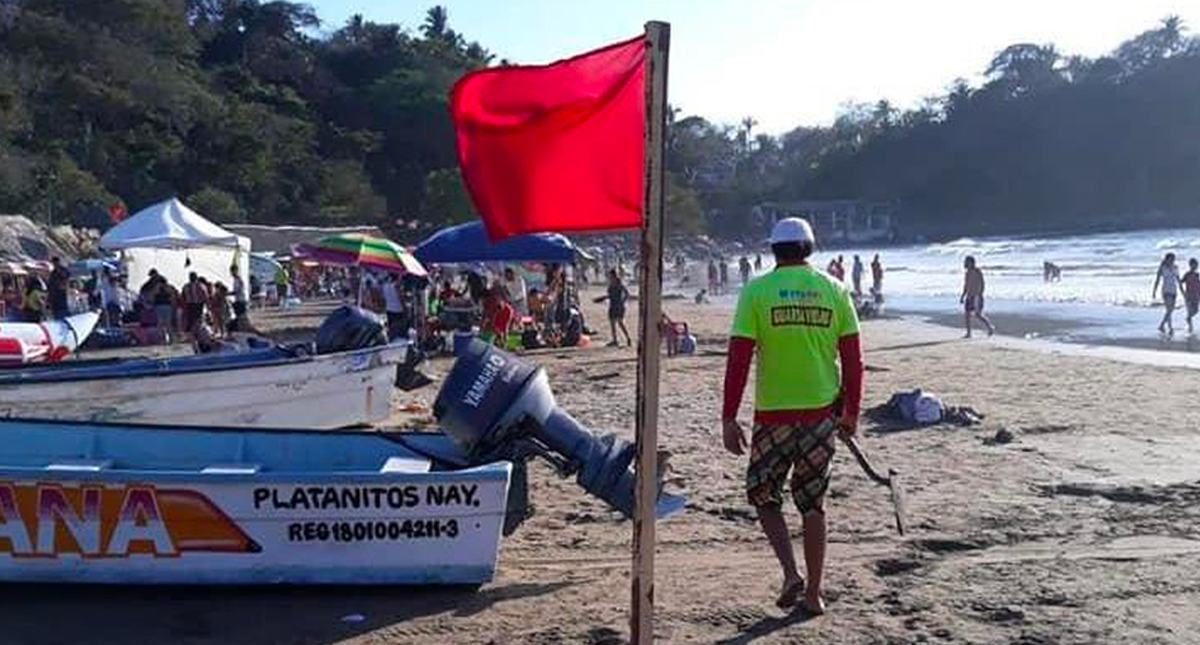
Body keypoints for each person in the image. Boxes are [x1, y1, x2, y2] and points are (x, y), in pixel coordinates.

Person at [722, 217, 863, 615]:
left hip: (773, 417)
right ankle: (814, 593)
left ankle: (790, 572)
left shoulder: (756, 292)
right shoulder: (834, 290)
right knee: (813, 504)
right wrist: (851, 411)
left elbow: (739, 359)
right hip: (821, 417)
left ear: (774, 250)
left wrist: (728, 417)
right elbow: (854, 360)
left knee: (764, 494)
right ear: (810, 248)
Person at [595, 269, 632, 347]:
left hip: (618, 306)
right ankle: (615, 340)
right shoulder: (611, 284)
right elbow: (610, 296)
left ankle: (628, 338)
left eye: (610, 275)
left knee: (620, 322)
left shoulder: (619, 284)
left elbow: (627, 294)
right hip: (613, 305)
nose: (609, 277)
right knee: (613, 323)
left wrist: (623, 301)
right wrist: (601, 299)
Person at [960, 256, 995, 338]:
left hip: (976, 296)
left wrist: (979, 294)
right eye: (965, 262)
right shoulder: (967, 273)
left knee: (978, 315)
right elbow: (966, 285)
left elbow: (982, 283)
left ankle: (990, 327)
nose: (965, 263)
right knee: (967, 315)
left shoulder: (977, 271)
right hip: (969, 296)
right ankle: (968, 333)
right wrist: (963, 295)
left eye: (967, 262)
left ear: (972, 263)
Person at [1153, 252, 1182, 336]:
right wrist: (1154, 291)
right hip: (1166, 291)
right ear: (1167, 259)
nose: (1172, 260)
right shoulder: (1162, 268)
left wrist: (1182, 291)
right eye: (1171, 259)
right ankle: (1162, 325)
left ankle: (1170, 327)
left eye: (1173, 259)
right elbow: (1157, 280)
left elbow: (1178, 280)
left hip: (1174, 290)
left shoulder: (1175, 267)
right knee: (1170, 309)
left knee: (1169, 310)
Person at [481, 283, 514, 347]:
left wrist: (504, 339)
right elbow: (486, 320)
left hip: (498, 328)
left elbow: (505, 327)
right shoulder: (490, 304)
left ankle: (499, 342)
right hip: (492, 328)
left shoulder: (509, 311)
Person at [181, 272, 209, 337]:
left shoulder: (186, 286)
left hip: (190, 304)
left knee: (192, 320)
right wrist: (207, 305)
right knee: (198, 319)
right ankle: (198, 333)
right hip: (198, 304)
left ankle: (194, 334)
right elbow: (205, 296)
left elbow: (183, 296)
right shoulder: (201, 285)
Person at [382, 273, 405, 341]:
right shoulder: (396, 286)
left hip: (389, 309)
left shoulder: (385, 286)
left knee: (391, 328)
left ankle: (391, 340)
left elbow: (384, 298)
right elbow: (401, 297)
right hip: (398, 309)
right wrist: (405, 308)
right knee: (399, 328)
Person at [1183, 258, 1200, 336]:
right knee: (1190, 310)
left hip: (1196, 295)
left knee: (1196, 310)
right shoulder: (1187, 274)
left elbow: (1198, 284)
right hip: (1189, 295)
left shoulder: (1197, 274)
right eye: (1193, 265)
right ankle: (1190, 327)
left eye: (1196, 265)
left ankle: (1188, 319)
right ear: (1190, 265)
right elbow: (1181, 281)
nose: (1195, 266)